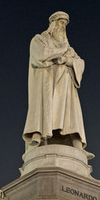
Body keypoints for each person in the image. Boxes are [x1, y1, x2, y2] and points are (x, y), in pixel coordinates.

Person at [23, 11, 86, 150]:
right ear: (53, 24)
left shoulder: (68, 48)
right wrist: (59, 52)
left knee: (70, 117)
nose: (62, 27)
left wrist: (66, 60)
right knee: (45, 114)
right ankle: (40, 142)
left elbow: (80, 62)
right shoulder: (39, 39)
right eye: (60, 23)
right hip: (47, 85)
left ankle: (77, 147)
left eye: (65, 24)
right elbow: (40, 56)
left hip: (65, 89)